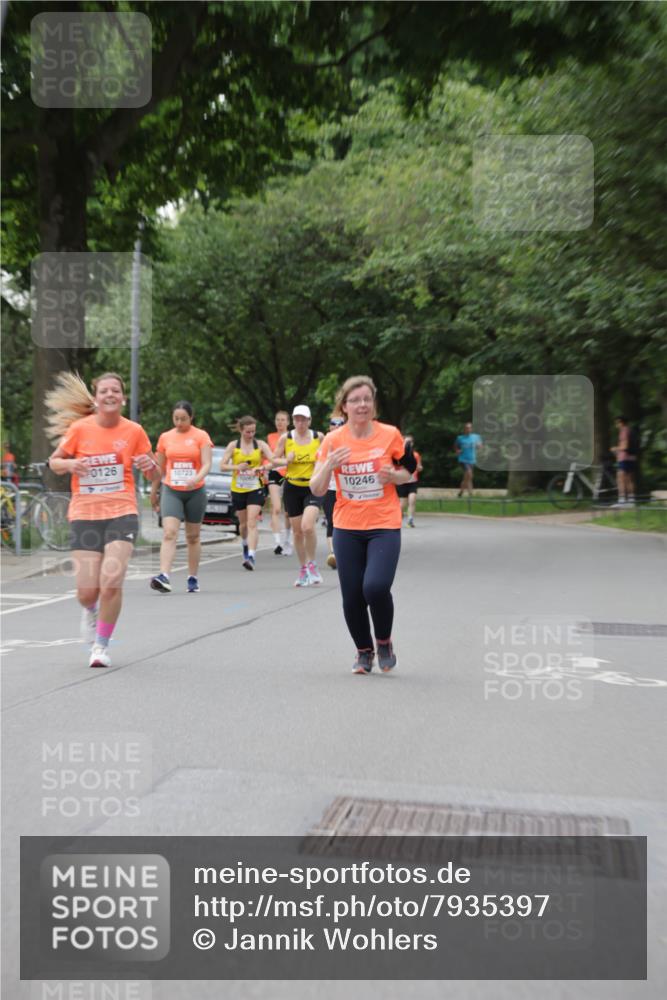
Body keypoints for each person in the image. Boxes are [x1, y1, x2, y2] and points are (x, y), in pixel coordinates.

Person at [45, 371, 160, 668]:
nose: (110, 395)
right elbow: (54, 462)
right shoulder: (79, 429)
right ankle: (91, 609)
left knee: (111, 582)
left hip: (122, 512)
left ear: (123, 398)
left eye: (115, 391)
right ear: (96, 399)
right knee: (87, 592)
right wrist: (71, 463)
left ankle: (101, 646)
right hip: (85, 514)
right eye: (104, 391)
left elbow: (155, 473)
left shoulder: (134, 431)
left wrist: (149, 466)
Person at [311, 375, 416, 674]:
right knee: (352, 595)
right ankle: (363, 651)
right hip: (347, 526)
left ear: (373, 403)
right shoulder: (333, 441)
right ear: (344, 406)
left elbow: (408, 472)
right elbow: (317, 488)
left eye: (367, 399)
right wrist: (329, 466)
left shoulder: (389, 434)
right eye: (355, 400)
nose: (362, 405)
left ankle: (384, 641)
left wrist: (394, 476)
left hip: (384, 524)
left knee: (376, 587)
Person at [149, 401, 212, 594]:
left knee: (193, 536)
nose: (179, 423)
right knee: (169, 532)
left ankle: (192, 577)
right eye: (176, 418)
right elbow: (159, 469)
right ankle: (164, 576)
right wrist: (154, 492)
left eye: (183, 419)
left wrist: (196, 478)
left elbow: (207, 464)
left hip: (195, 491)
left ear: (191, 417)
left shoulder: (201, 436)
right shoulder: (165, 437)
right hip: (172, 490)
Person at [273, 405, 324, 586]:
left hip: (312, 487)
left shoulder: (318, 437)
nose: (300, 422)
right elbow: (273, 460)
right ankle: (303, 569)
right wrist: (286, 460)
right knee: (297, 532)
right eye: (297, 419)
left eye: (303, 419)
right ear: (293, 421)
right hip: (292, 487)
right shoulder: (286, 438)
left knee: (307, 526)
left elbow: (327, 457)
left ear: (309, 420)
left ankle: (312, 564)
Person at [219, 416, 274, 570]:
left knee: (252, 522)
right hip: (238, 489)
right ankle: (245, 544)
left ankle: (251, 556)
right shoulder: (233, 446)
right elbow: (222, 466)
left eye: (253, 431)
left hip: (255, 488)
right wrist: (237, 467)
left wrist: (262, 468)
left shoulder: (260, 445)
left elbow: (273, 461)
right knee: (243, 525)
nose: (251, 435)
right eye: (248, 432)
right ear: (241, 430)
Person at [265, 410, 293, 555]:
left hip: (289, 473)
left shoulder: (292, 436)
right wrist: (265, 467)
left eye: (283, 420)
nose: (280, 422)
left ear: (288, 422)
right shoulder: (270, 437)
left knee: (288, 512)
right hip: (275, 472)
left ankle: (287, 540)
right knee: (276, 508)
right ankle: (278, 543)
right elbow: (267, 456)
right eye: (277, 420)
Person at [322, 416, 345, 568]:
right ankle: (333, 553)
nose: (336, 426)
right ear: (329, 427)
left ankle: (345, 551)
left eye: (340, 424)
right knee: (332, 520)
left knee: (346, 522)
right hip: (329, 488)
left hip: (346, 490)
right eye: (333, 424)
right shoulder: (324, 443)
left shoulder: (350, 442)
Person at [610, 415, 638, 506]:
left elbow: (625, 446)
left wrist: (615, 448)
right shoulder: (630, 430)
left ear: (621, 422)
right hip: (632, 457)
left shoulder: (624, 431)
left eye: (617, 423)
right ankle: (631, 501)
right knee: (630, 479)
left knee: (620, 479)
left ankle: (622, 500)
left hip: (624, 458)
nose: (616, 425)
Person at [397, 434, 423, 527]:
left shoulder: (416, 455)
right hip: (402, 482)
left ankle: (410, 520)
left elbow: (419, 467)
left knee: (412, 500)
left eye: (410, 442)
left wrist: (419, 468)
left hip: (413, 482)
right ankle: (398, 517)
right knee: (402, 504)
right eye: (407, 441)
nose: (409, 443)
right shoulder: (399, 454)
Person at [455, 422, 482, 497]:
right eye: (467, 428)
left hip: (472, 459)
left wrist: (478, 446)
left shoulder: (476, 437)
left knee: (468, 477)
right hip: (463, 459)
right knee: (469, 474)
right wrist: (458, 451)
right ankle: (470, 493)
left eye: (470, 428)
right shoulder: (460, 438)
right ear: (464, 429)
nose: (468, 429)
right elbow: (456, 446)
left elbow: (480, 446)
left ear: (472, 429)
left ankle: (461, 492)